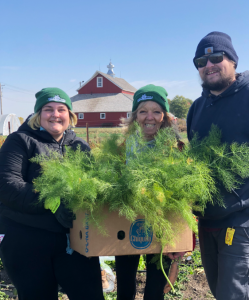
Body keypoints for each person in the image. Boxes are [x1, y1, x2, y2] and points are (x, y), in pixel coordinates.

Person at [0, 88, 104, 300]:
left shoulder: (79, 146)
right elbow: (7, 185)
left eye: (61, 109)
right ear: (38, 115)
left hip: (73, 240)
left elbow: (92, 185)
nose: (55, 114)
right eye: (48, 109)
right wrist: (52, 200)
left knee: (90, 294)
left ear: (70, 115)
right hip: (26, 239)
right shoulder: (20, 141)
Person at [187, 31, 249, 300]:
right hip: (207, 217)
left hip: (241, 217)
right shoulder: (197, 108)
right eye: (201, 61)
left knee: (232, 293)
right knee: (217, 287)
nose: (208, 65)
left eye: (215, 57)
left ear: (232, 60)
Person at [115, 84, 185, 300]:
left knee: (156, 289)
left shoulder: (176, 147)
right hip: (127, 222)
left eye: (156, 111)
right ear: (135, 116)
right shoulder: (123, 145)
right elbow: (111, 182)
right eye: (143, 111)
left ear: (164, 116)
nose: (149, 117)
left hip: (162, 224)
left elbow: (186, 197)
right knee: (125, 285)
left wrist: (180, 250)